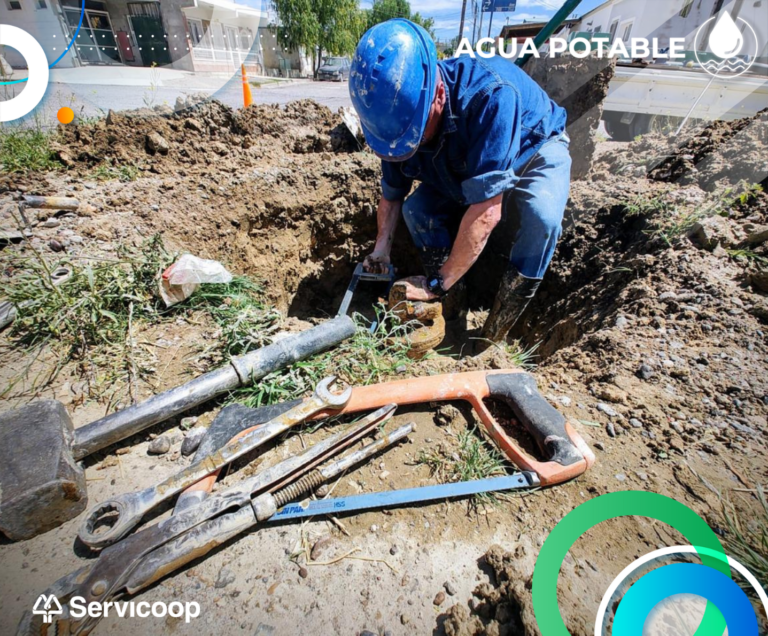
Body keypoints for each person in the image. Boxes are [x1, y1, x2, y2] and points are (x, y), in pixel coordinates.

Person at [349, 18, 571, 352]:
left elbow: (485, 212)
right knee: (417, 210)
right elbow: (392, 197)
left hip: (532, 147)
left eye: (412, 138)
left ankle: (492, 337)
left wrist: (435, 283)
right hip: (462, 160)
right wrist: (381, 249)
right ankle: (452, 308)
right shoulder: (398, 126)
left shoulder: (490, 95)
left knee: (542, 217)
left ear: (438, 95)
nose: (405, 148)